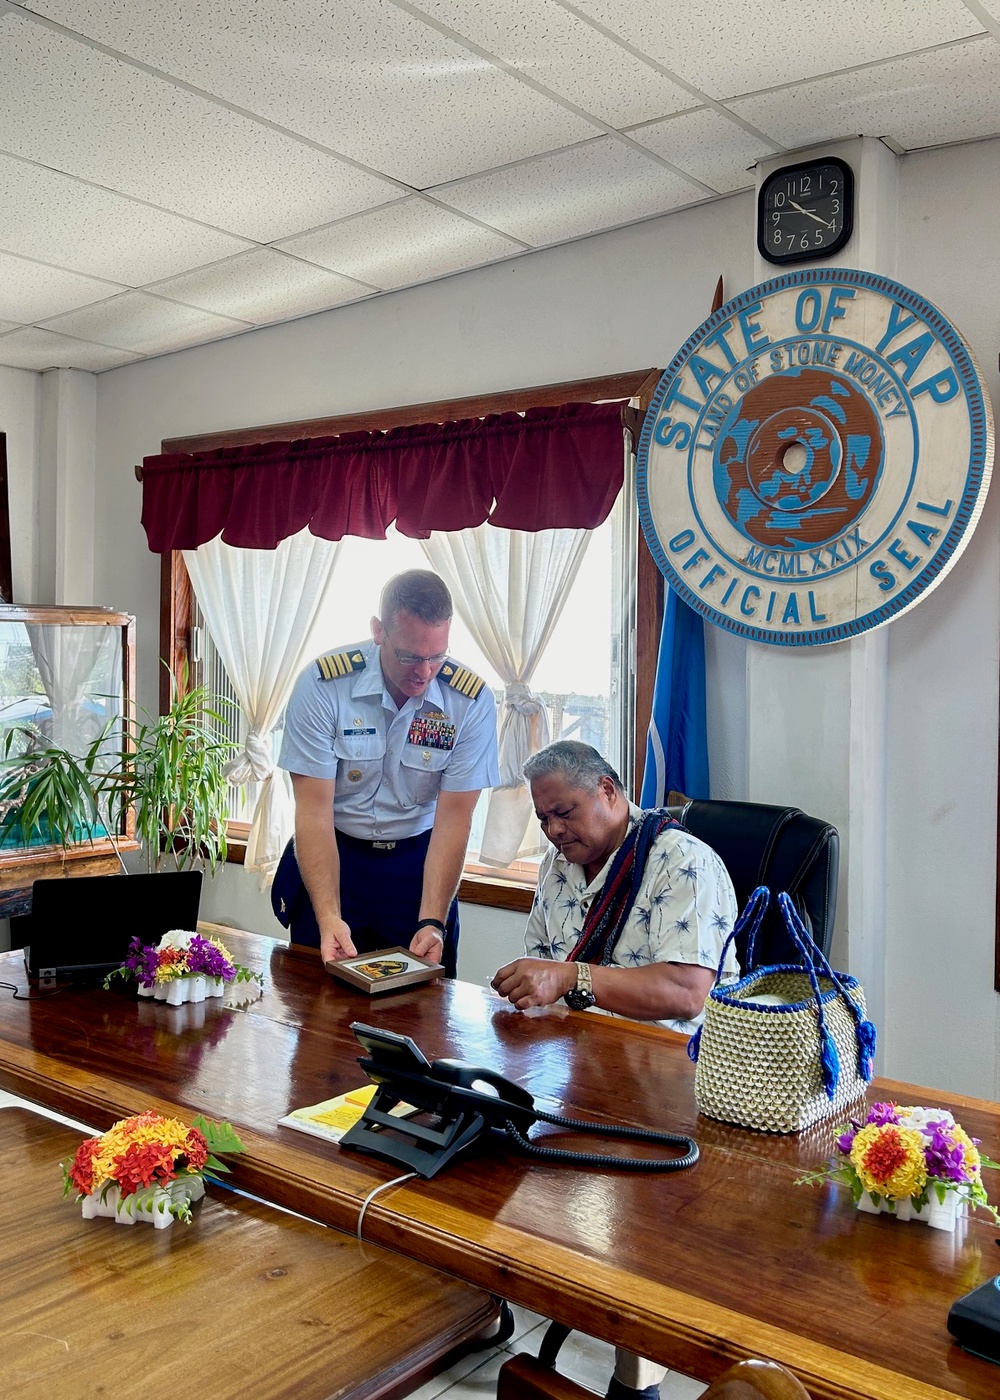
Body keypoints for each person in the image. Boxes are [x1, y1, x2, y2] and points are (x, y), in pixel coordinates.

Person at [491, 739, 738, 1400]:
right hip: (586, 1066)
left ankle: (637, 1376)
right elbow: (545, 966)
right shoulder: (560, 865)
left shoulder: (681, 862)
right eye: (543, 818)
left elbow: (688, 993)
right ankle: (492, 1299)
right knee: (494, 1140)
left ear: (608, 791)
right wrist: (532, 988)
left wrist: (570, 979)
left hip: (676, 1083)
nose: (553, 830)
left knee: (631, 1219)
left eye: (564, 812)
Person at [273, 569, 499, 977]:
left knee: (424, 1011)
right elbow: (313, 813)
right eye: (411, 656)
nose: (425, 672)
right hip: (335, 854)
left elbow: (454, 819)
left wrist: (432, 920)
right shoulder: (324, 686)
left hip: (418, 865)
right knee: (315, 999)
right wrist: (328, 916)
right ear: (379, 631)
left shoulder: (470, 701)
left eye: (437, 655)